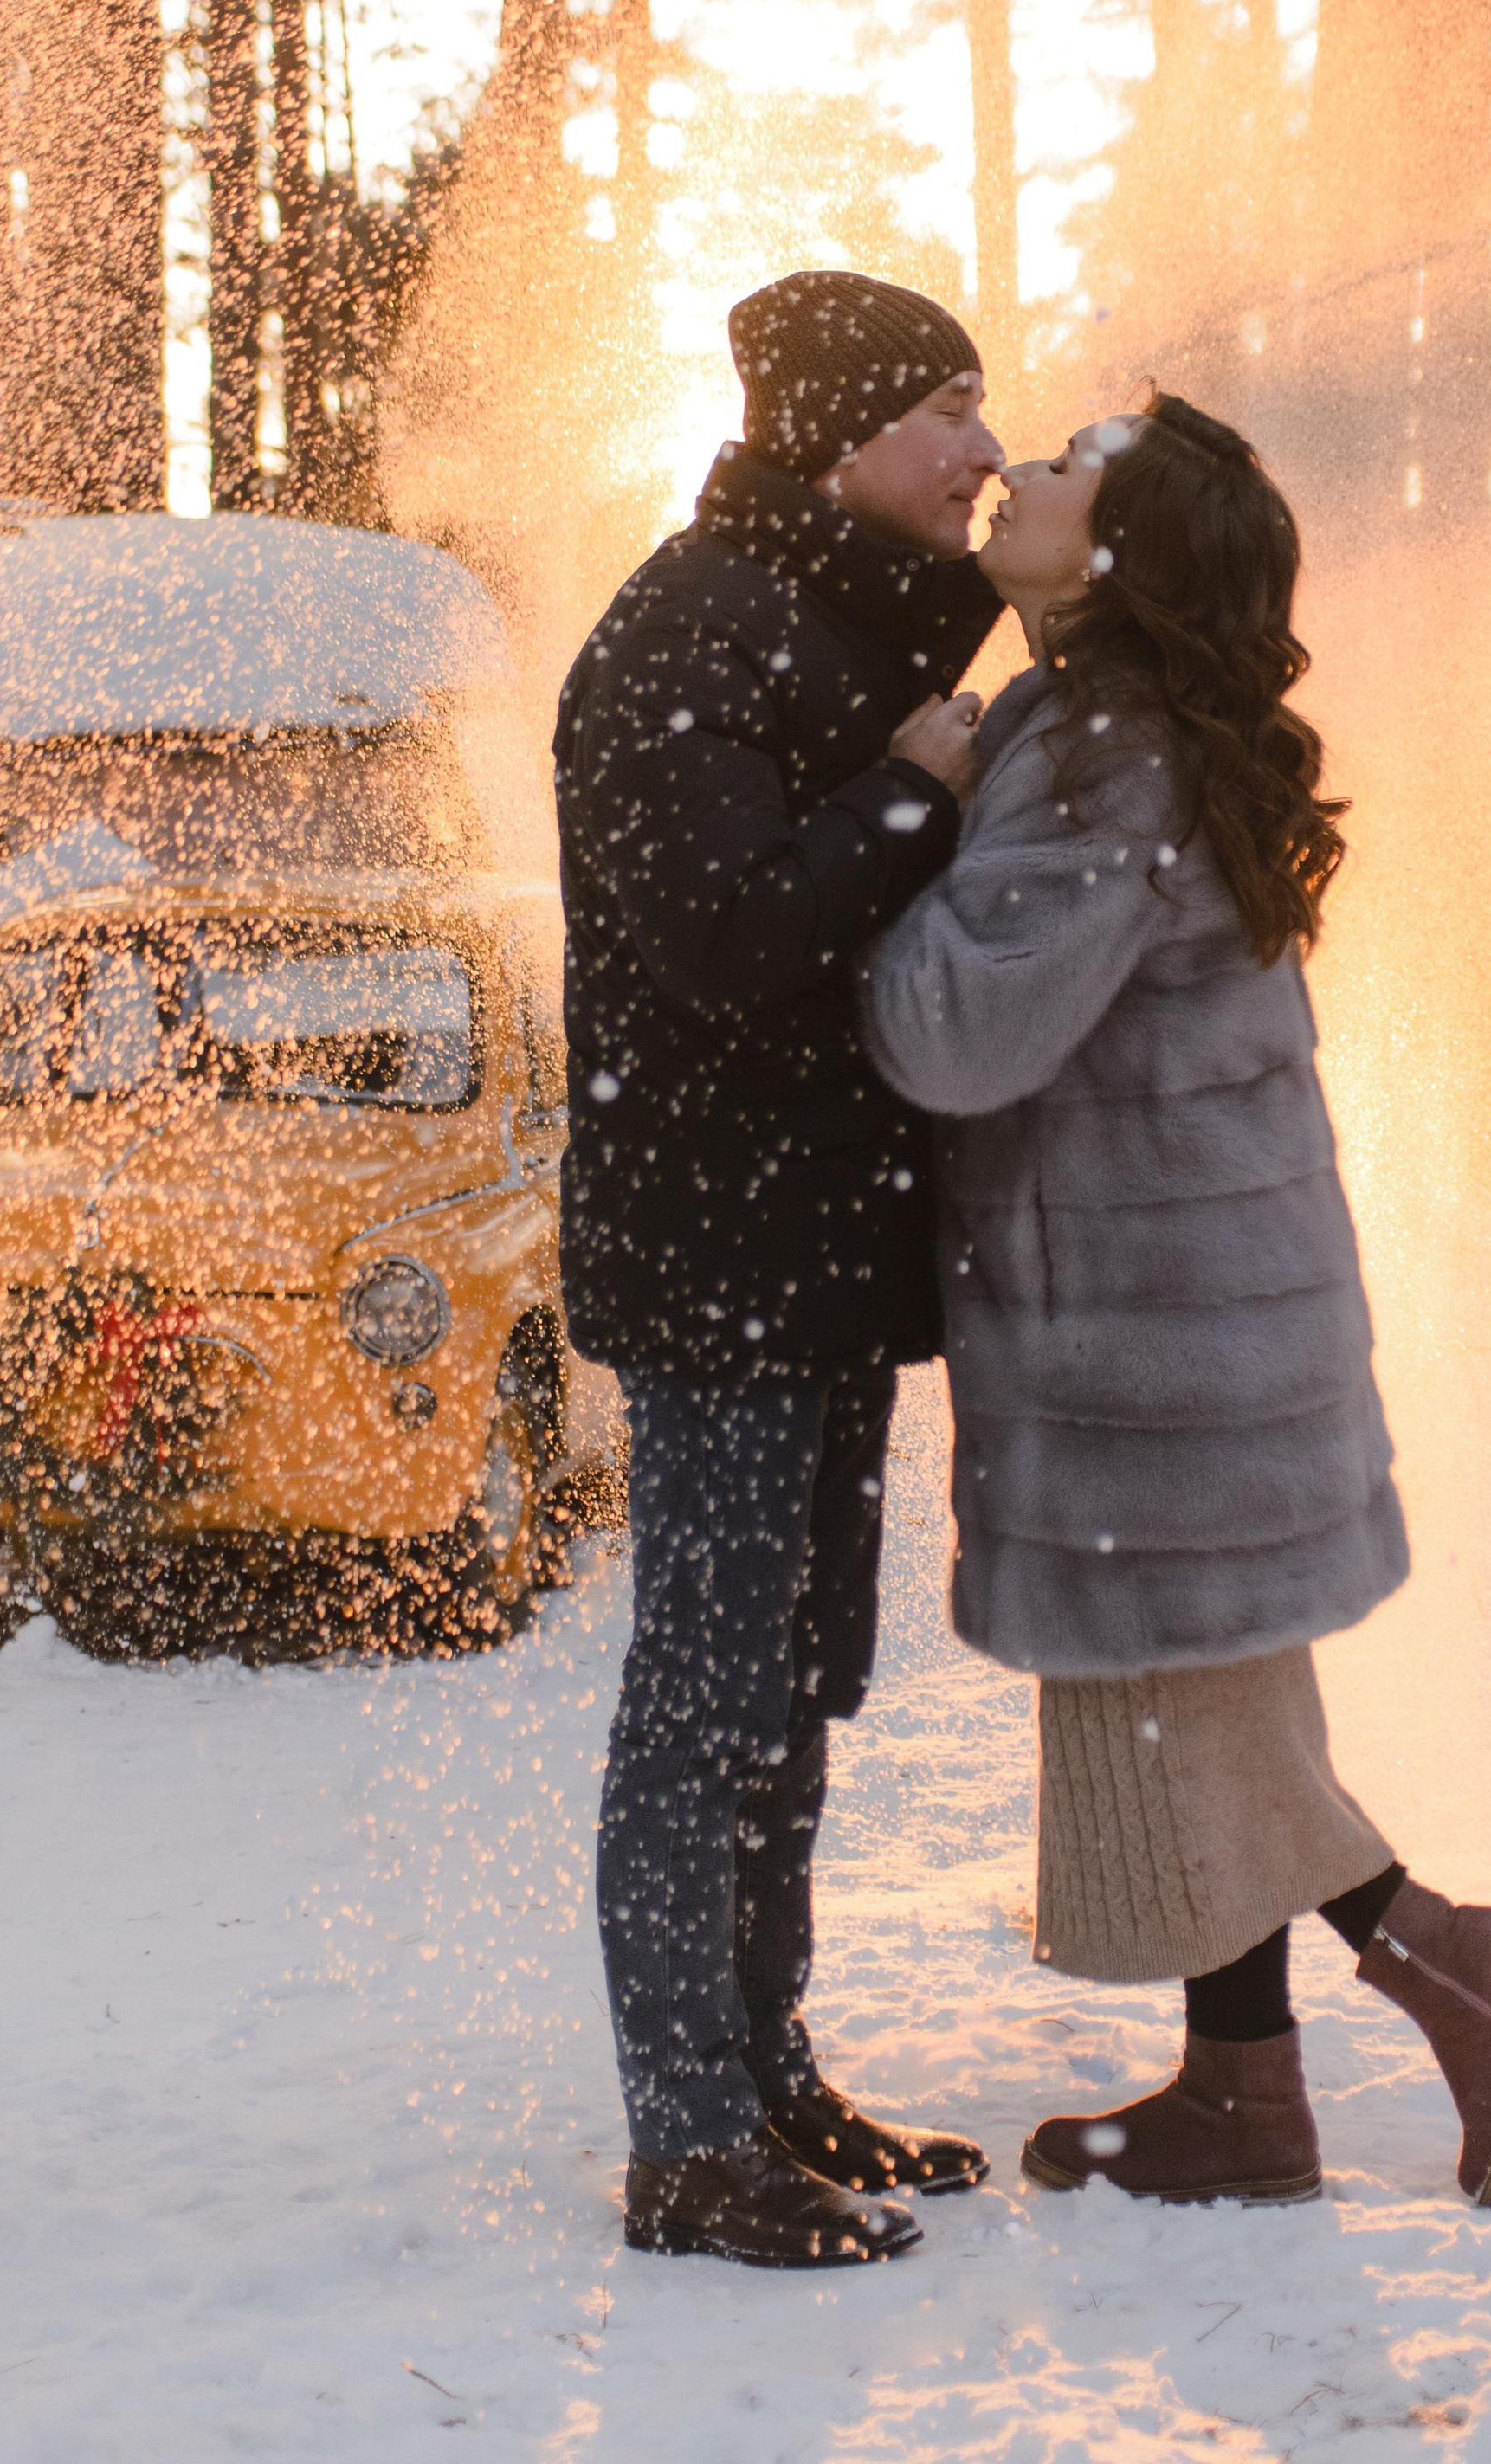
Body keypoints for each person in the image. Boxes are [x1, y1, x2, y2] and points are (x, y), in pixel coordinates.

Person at [861, 394, 1491, 2210]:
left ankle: (1457, 1960)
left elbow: (956, 1032)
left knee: (1190, 1720)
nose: (1013, 471)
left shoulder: (1095, 749)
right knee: (1211, 1708)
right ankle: (1240, 2096)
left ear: (1113, 559)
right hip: (1201, 1331)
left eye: (1060, 473)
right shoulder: (1134, 723)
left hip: (1144, 1350)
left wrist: (897, 819)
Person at [555, 270, 1007, 2268]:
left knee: (795, 1690)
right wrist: (919, 782)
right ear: (842, 434)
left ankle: (767, 2072)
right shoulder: (686, 632)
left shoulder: (802, 617)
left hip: (806, 1256)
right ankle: (685, 2142)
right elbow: (732, 941)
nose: (986, 454)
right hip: (720, 1262)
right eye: (950, 409)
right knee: (707, 1692)